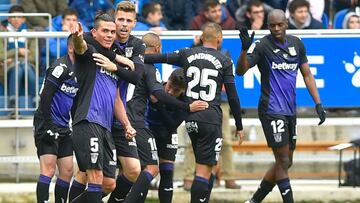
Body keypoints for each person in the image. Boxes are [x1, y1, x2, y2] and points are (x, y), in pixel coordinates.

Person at [145, 22, 245, 203]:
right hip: (210, 116)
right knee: (204, 170)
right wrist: (239, 125)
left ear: (201, 37)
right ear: (219, 39)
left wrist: (133, 58)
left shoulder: (187, 53)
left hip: (191, 117)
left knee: (209, 167)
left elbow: (159, 58)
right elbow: (233, 97)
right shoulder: (224, 60)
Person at [236, 9, 327, 203]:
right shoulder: (261, 46)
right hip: (271, 109)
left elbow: (307, 74)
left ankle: (254, 201)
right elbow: (241, 71)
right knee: (283, 160)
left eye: (279, 25)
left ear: (287, 23)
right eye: (272, 25)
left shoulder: (297, 43)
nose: (276, 29)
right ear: (268, 26)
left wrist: (318, 103)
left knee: (286, 162)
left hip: (290, 109)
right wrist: (244, 49)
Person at [69, 13, 134, 203]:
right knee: (95, 179)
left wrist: (126, 124)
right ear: (94, 33)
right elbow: (80, 47)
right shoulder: (89, 54)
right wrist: (78, 37)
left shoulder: (112, 62)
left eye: (112, 32)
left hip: (105, 128)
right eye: (105, 31)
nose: (109, 35)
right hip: (89, 121)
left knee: (108, 184)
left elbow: (116, 100)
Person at [34, 34, 78, 203]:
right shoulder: (61, 66)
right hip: (47, 122)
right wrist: (49, 124)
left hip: (64, 126)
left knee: (67, 171)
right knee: (48, 169)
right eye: (80, 46)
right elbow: (45, 96)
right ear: (71, 48)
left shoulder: (82, 70)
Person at [0, 5, 37, 111]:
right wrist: (18, 51)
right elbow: (1, 55)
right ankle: (13, 105)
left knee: (25, 67)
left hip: (27, 65)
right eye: (13, 17)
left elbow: (34, 57)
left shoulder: (31, 33)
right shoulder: (2, 33)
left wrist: (13, 57)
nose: (16, 20)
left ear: (24, 19)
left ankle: (35, 100)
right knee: (17, 68)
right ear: (8, 18)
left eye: (19, 17)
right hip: (7, 68)